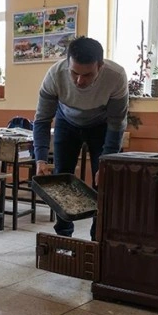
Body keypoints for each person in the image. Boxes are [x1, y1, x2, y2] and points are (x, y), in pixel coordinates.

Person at [33, 36, 128, 240]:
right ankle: (64, 235)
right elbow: (41, 120)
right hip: (67, 124)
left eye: (87, 75)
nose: (79, 80)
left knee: (104, 181)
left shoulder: (116, 76)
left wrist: (107, 161)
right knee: (61, 177)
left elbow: (116, 123)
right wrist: (40, 158)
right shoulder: (54, 75)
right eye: (74, 72)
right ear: (68, 63)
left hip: (101, 127)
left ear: (100, 66)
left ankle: (98, 238)